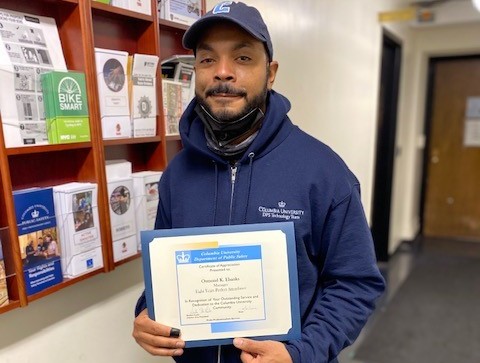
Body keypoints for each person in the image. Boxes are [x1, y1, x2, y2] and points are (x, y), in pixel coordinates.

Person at [133, 2, 385, 362]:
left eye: (243, 58)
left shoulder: (324, 173)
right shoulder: (178, 174)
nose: (222, 73)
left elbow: (355, 284)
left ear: (270, 73)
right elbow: (165, 273)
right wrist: (146, 314)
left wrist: (299, 353)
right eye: (207, 60)